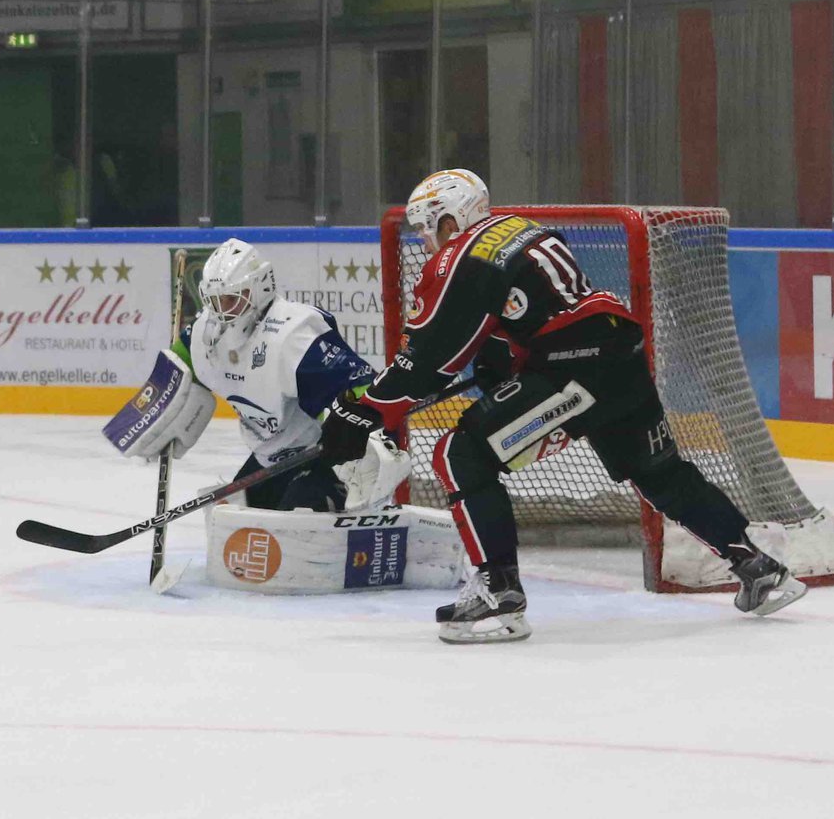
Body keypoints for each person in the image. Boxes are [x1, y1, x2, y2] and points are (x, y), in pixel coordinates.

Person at [319, 169, 805, 643]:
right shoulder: (519, 230)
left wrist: (362, 412)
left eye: (429, 228)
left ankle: (498, 594)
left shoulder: (460, 257)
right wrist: (501, 360)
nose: (428, 241)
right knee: (659, 472)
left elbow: (427, 363)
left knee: (460, 453)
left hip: (574, 371)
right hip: (620, 358)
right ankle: (757, 566)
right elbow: (527, 311)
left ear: (451, 219)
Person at [104, 238, 375, 512]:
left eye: (231, 299)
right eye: (214, 301)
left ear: (260, 289)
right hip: (268, 458)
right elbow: (174, 372)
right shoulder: (206, 333)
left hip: (318, 456)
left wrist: (365, 440)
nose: (221, 311)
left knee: (297, 517)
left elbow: (362, 387)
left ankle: (335, 497)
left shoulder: (292, 336)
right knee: (229, 519)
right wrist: (150, 415)